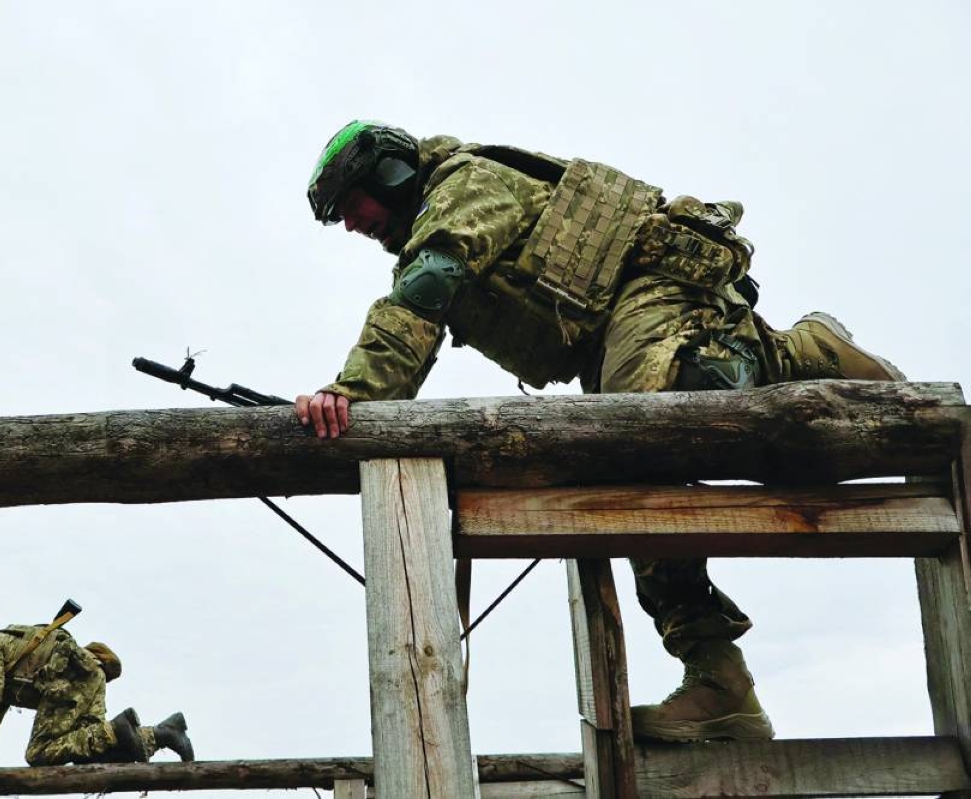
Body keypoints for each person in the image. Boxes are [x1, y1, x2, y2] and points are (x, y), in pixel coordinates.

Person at [296, 120, 905, 743]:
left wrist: (354, 395)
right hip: (605, 341)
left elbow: (428, 285)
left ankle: (803, 353)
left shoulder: (464, 185)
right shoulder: (434, 215)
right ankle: (721, 682)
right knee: (631, 482)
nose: (351, 225)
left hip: (652, 286)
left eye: (351, 206)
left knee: (665, 408)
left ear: (390, 176)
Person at [0, 622, 194, 783]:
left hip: (65, 680)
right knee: (93, 753)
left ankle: (117, 728)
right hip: (87, 673)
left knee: (40, 753)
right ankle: (163, 733)